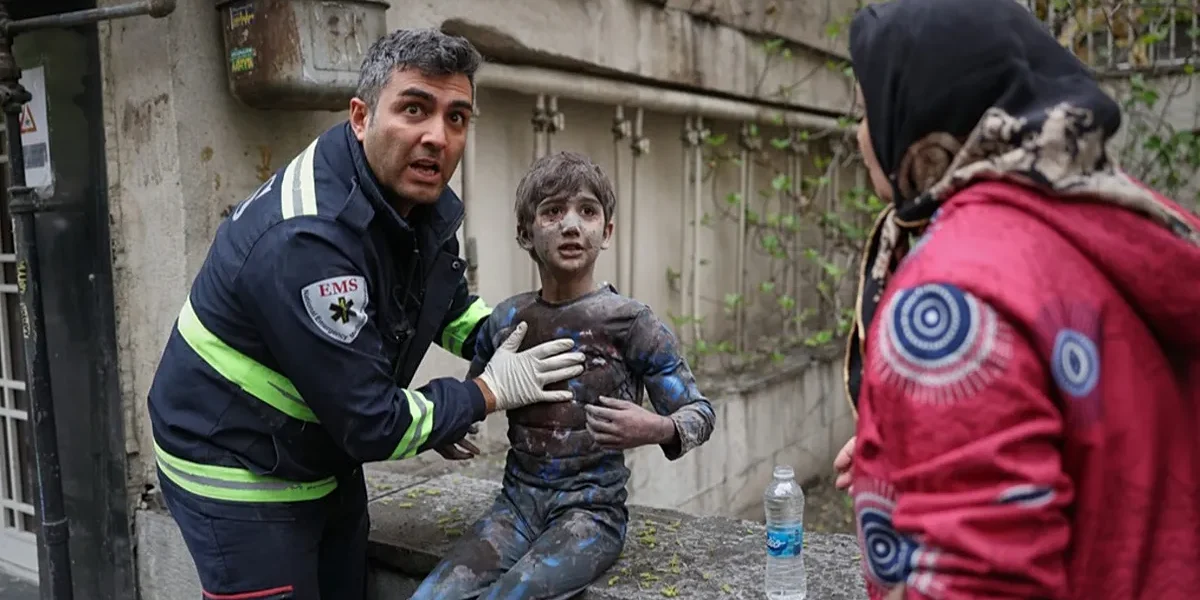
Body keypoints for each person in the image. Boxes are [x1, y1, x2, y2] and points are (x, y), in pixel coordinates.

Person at [146, 29, 588, 600]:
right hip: (233, 464)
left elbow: (442, 306)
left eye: (456, 117)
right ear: (361, 117)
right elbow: (372, 422)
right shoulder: (308, 241)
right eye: (414, 109)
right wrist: (483, 393)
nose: (437, 137)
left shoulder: (409, 198)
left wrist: (519, 334)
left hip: (318, 445)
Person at [841, 1, 1200, 598]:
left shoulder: (954, 299)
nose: (860, 133)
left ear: (919, 114)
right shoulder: (1122, 223)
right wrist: (928, 440)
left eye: (865, 109)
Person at [410, 151, 717, 600]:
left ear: (606, 232)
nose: (571, 225)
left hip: (591, 516)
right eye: (553, 212)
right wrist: (448, 425)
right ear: (526, 232)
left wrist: (657, 428)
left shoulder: (630, 322)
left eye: (587, 212)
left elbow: (700, 413)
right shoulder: (508, 319)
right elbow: (476, 394)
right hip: (515, 506)